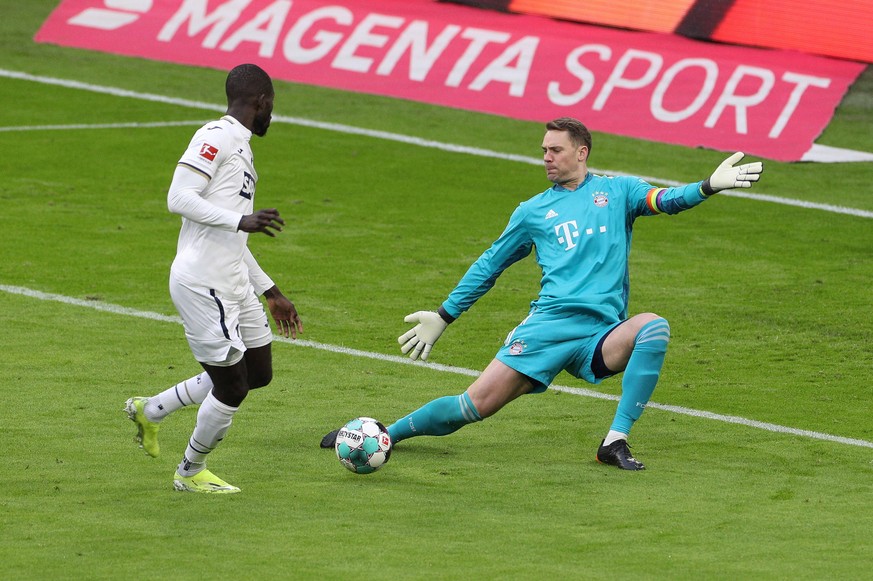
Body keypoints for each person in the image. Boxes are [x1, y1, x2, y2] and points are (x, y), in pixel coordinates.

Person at [322, 117, 762, 470]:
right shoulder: (533, 211)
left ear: (581, 152)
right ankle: (386, 434)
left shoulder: (618, 190)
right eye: (544, 151)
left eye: (555, 150)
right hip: (547, 330)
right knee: (473, 406)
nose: (547, 158)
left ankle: (615, 440)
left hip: (600, 334)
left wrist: (707, 186)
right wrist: (444, 314)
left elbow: (666, 199)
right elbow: (490, 265)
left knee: (653, 328)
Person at [125, 63, 302, 493]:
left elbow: (232, 237)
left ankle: (153, 409)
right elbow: (178, 197)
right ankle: (189, 473)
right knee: (234, 385)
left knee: (258, 372)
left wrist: (271, 291)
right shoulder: (216, 136)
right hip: (202, 283)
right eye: (271, 106)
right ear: (260, 101)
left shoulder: (242, 149)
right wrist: (240, 220)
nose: (272, 115)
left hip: (233, 280)